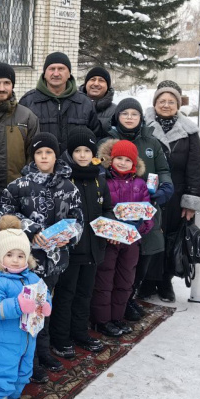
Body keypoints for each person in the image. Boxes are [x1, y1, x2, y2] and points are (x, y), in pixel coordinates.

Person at [0, 132, 84, 377]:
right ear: (33, 156)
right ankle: (31, 357)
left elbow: (78, 219)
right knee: (28, 308)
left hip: (55, 261)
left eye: (48, 152)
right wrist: (31, 228)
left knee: (46, 306)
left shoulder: (69, 186)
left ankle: (43, 350)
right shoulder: (18, 185)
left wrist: (71, 234)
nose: (44, 157)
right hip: (27, 261)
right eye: (39, 153)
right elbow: (4, 214)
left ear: (56, 155)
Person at [103, 97, 174, 321]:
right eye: (125, 114)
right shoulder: (108, 141)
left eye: (134, 114)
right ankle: (112, 304)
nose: (130, 118)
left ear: (141, 118)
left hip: (146, 205)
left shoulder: (151, 142)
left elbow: (163, 169)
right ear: (118, 117)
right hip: (115, 209)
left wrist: (165, 187)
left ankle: (129, 297)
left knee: (143, 254)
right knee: (114, 260)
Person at [0, 215, 51, 399]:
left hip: (27, 338)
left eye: (21, 255)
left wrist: (46, 305)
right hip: (2, 340)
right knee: (1, 370)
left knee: (23, 369)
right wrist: (18, 305)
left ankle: (12, 396)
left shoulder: (33, 278)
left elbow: (44, 295)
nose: (16, 259)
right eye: (9, 254)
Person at [47, 127, 113, 358]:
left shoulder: (99, 179)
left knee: (85, 293)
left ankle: (79, 332)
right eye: (78, 151)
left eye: (87, 150)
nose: (83, 155)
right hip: (71, 250)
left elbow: (107, 209)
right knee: (66, 294)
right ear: (70, 153)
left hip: (94, 249)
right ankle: (61, 337)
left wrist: (109, 227)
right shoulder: (64, 179)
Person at [143, 83, 200, 302]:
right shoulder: (144, 126)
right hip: (150, 194)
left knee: (171, 237)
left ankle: (165, 281)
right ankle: (148, 280)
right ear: (155, 103)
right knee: (150, 235)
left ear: (178, 105)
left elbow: (196, 168)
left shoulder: (188, 132)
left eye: (171, 102)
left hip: (177, 196)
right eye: (162, 101)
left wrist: (191, 201)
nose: (166, 105)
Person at [91, 139, 154, 337]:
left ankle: (117, 317)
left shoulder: (140, 184)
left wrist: (139, 229)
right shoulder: (103, 181)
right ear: (111, 159)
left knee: (125, 280)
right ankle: (102, 320)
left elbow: (148, 213)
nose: (123, 163)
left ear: (134, 163)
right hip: (109, 241)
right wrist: (110, 233)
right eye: (119, 158)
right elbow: (99, 210)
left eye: (128, 160)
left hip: (131, 242)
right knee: (105, 280)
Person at [19, 52, 102, 153]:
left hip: (74, 167)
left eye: (61, 69)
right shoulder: (28, 101)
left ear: (69, 74)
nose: (56, 73)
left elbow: (96, 137)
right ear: (44, 73)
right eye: (52, 69)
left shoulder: (84, 103)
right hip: (39, 166)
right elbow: (20, 140)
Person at [0, 62, 39, 193]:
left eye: (7, 83)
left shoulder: (27, 117)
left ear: (12, 85)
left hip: (17, 193)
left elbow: (33, 159)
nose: (1, 88)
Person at [80, 66, 117, 134]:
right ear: (86, 83)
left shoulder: (115, 111)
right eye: (93, 79)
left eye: (101, 80)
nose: (96, 84)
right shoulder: (73, 105)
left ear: (107, 86)